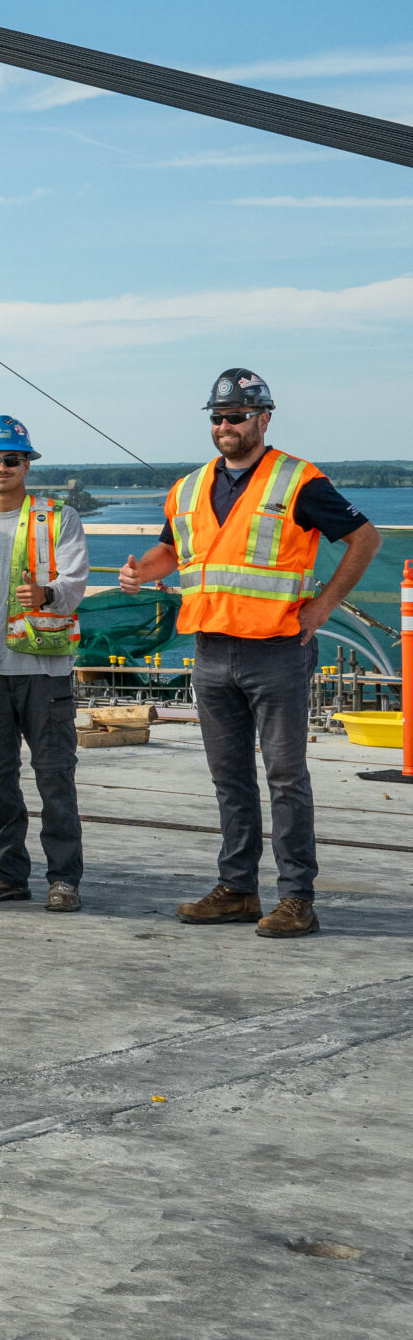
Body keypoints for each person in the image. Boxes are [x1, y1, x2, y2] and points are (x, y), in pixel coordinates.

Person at [121, 369, 379, 940]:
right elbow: (172, 551)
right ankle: (238, 889)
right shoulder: (188, 489)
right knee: (229, 778)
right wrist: (140, 570)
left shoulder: (299, 482)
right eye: (217, 417)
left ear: (264, 418)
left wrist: (321, 607)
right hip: (210, 651)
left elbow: (365, 539)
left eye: (237, 416)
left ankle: (296, 899)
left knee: (286, 777)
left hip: (277, 652)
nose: (225, 426)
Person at [0, 417, 90, 912]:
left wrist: (48, 592)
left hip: (43, 672)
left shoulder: (59, 518)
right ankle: (7, 873)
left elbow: (75, 582)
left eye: (11, 459)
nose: (2, 467)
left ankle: (63, 879)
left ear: (27, 464)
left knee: (55, 777)